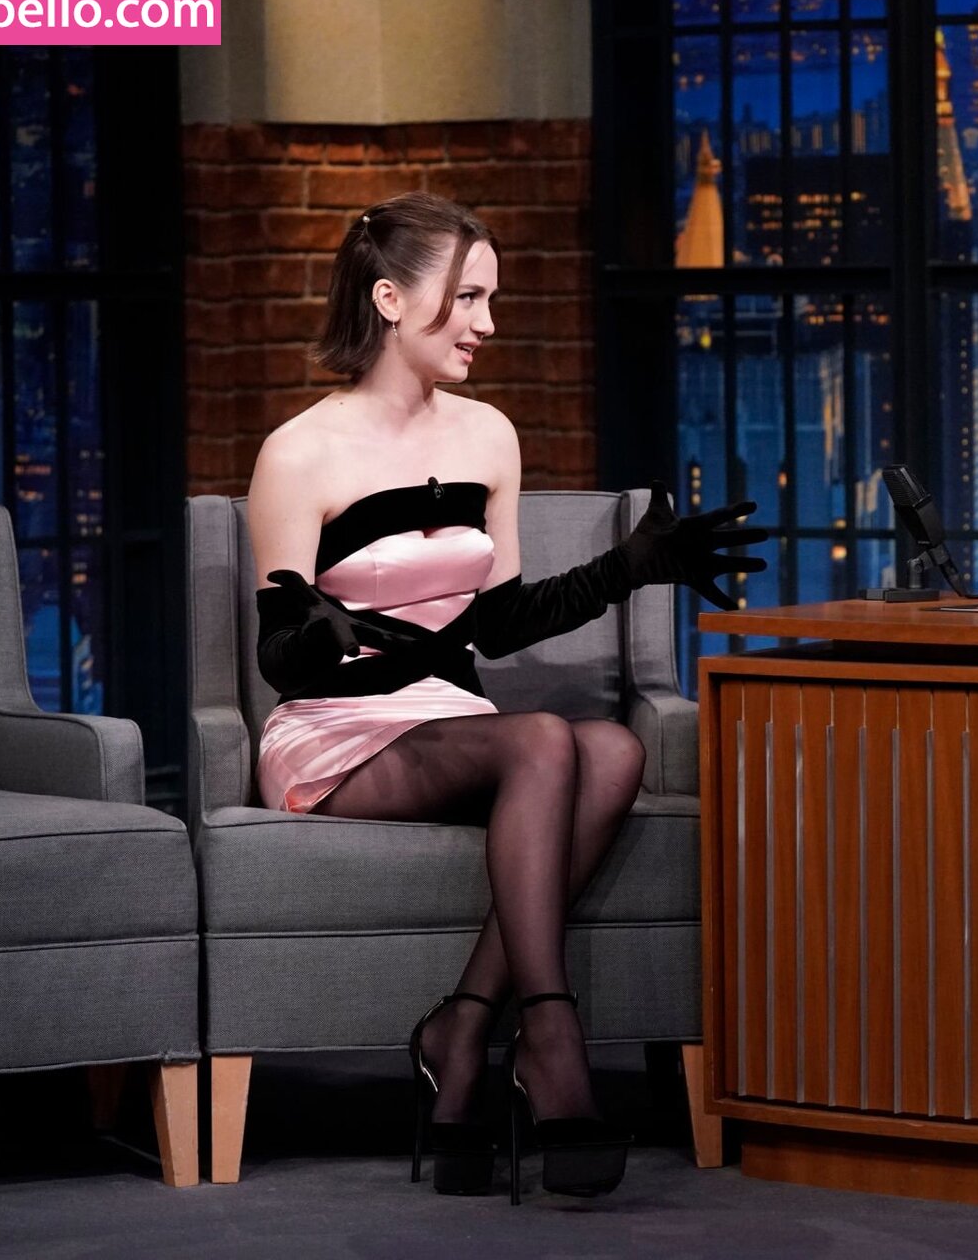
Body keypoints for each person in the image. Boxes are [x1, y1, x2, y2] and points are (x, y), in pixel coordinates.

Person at [246, 192, 765, 1200]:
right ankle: (551, 1036)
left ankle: (463, 1028)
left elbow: (500, 619)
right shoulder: (298, 452)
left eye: (492, 298)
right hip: (338, 730)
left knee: (613, 749)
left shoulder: (489, 434)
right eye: (469, 297)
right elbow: (282, 655)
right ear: (391, 299)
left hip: (450, 716)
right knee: (543, 741)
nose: (487, 322)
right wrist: (312, 636)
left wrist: (629, 567)